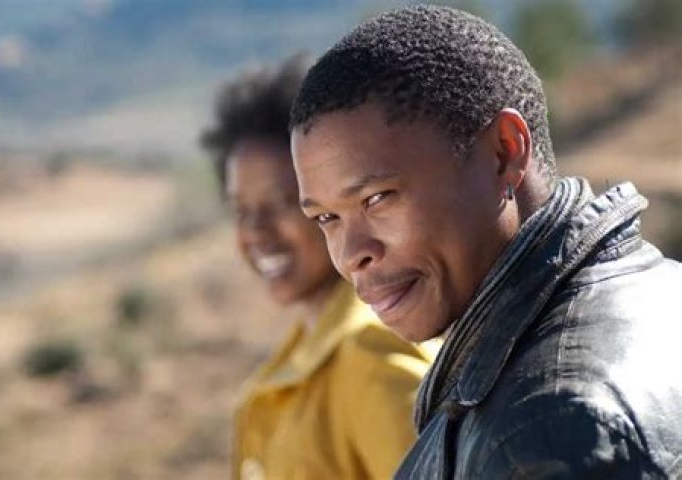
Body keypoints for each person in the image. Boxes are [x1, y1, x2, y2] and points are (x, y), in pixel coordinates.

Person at [289, 6, 682, 479]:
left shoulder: (551, 431)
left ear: (503, 152)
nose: (352, 254)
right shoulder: (660, 288)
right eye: (327, 218)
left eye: (377, 198)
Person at [201, 54, 436, 480]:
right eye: (241, 210)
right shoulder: (296, 362)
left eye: (279, 203)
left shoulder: (372, 357)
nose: (256, 232)